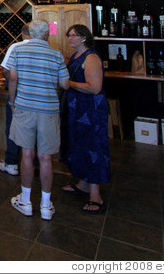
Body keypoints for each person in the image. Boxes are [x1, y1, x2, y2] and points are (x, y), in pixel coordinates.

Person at [7, 20, 70, 221]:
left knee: (26, 154)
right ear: (46, 35)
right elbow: (65, 84)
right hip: (49, 109)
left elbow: (12, 79)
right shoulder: (56, 54)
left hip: (24, 107)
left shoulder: (18, 51)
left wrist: (12, 101)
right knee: (45, 158)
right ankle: (45, 204)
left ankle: (25, 201)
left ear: (30, 34)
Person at [61, 24, 109, 213]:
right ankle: (83, 183)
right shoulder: (76, 56)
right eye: (69, 35)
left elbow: (95, 87)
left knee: (93, 147)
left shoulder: (91, 57)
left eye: (73, 35)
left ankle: (95, 195)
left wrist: (68, 83)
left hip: (90, 111)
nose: (70, 38)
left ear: (83, 37)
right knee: (79, 145)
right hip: (77, 109)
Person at [0, 27, 32, 176]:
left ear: (22, 33)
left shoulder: (16, 46)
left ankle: (11, 163)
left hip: (18, 95)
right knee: (33, 130)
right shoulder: (48, 48)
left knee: (12, 129)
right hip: (37, 97)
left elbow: (6, 70)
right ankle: (32, 163)